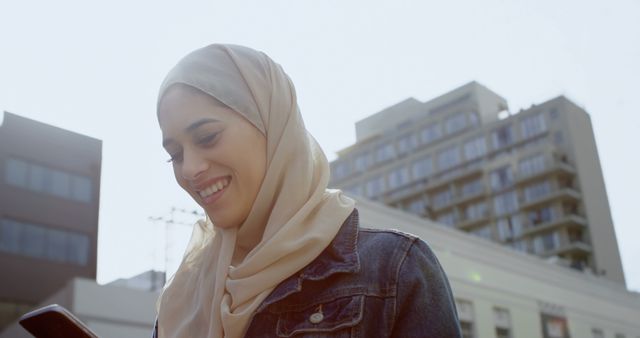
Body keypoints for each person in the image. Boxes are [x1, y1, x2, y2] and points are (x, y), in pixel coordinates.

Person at [153, 44, 462, 337]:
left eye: (207, 137)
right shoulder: (183, 299)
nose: (189, 169)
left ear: (272, 128)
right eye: (175, 154)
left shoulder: (394, 271)